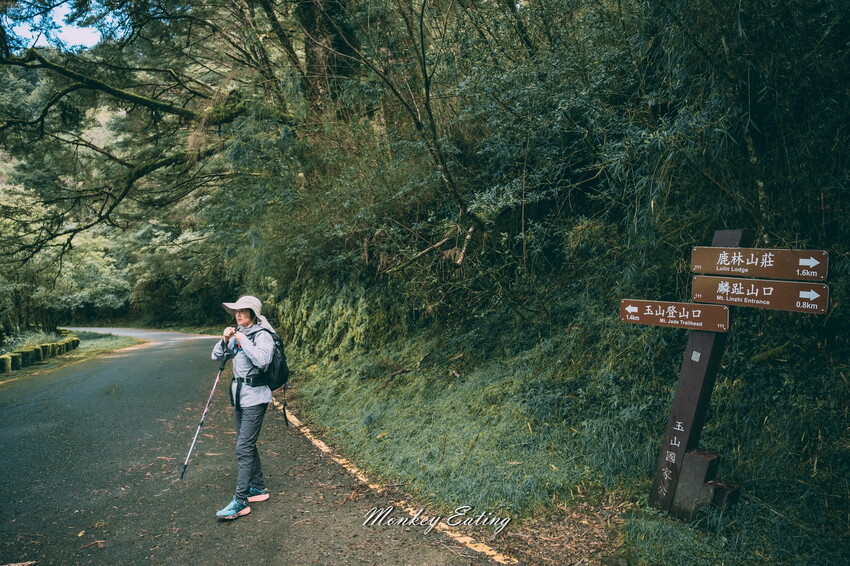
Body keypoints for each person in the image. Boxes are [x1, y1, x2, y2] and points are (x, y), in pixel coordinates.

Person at [211, 295, 276, 520]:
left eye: (242, 311)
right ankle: (258, 488)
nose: (237, 315)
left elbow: (263, 360)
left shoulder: (262, 335)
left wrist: (243, 339)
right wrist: (224, 339)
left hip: (255, 398)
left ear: (253, 314)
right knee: (246, 443)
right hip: (239, 398)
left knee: (243, 448)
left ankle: (240, 501)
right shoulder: (240, 334)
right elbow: (216, 356)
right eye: (235, 312)